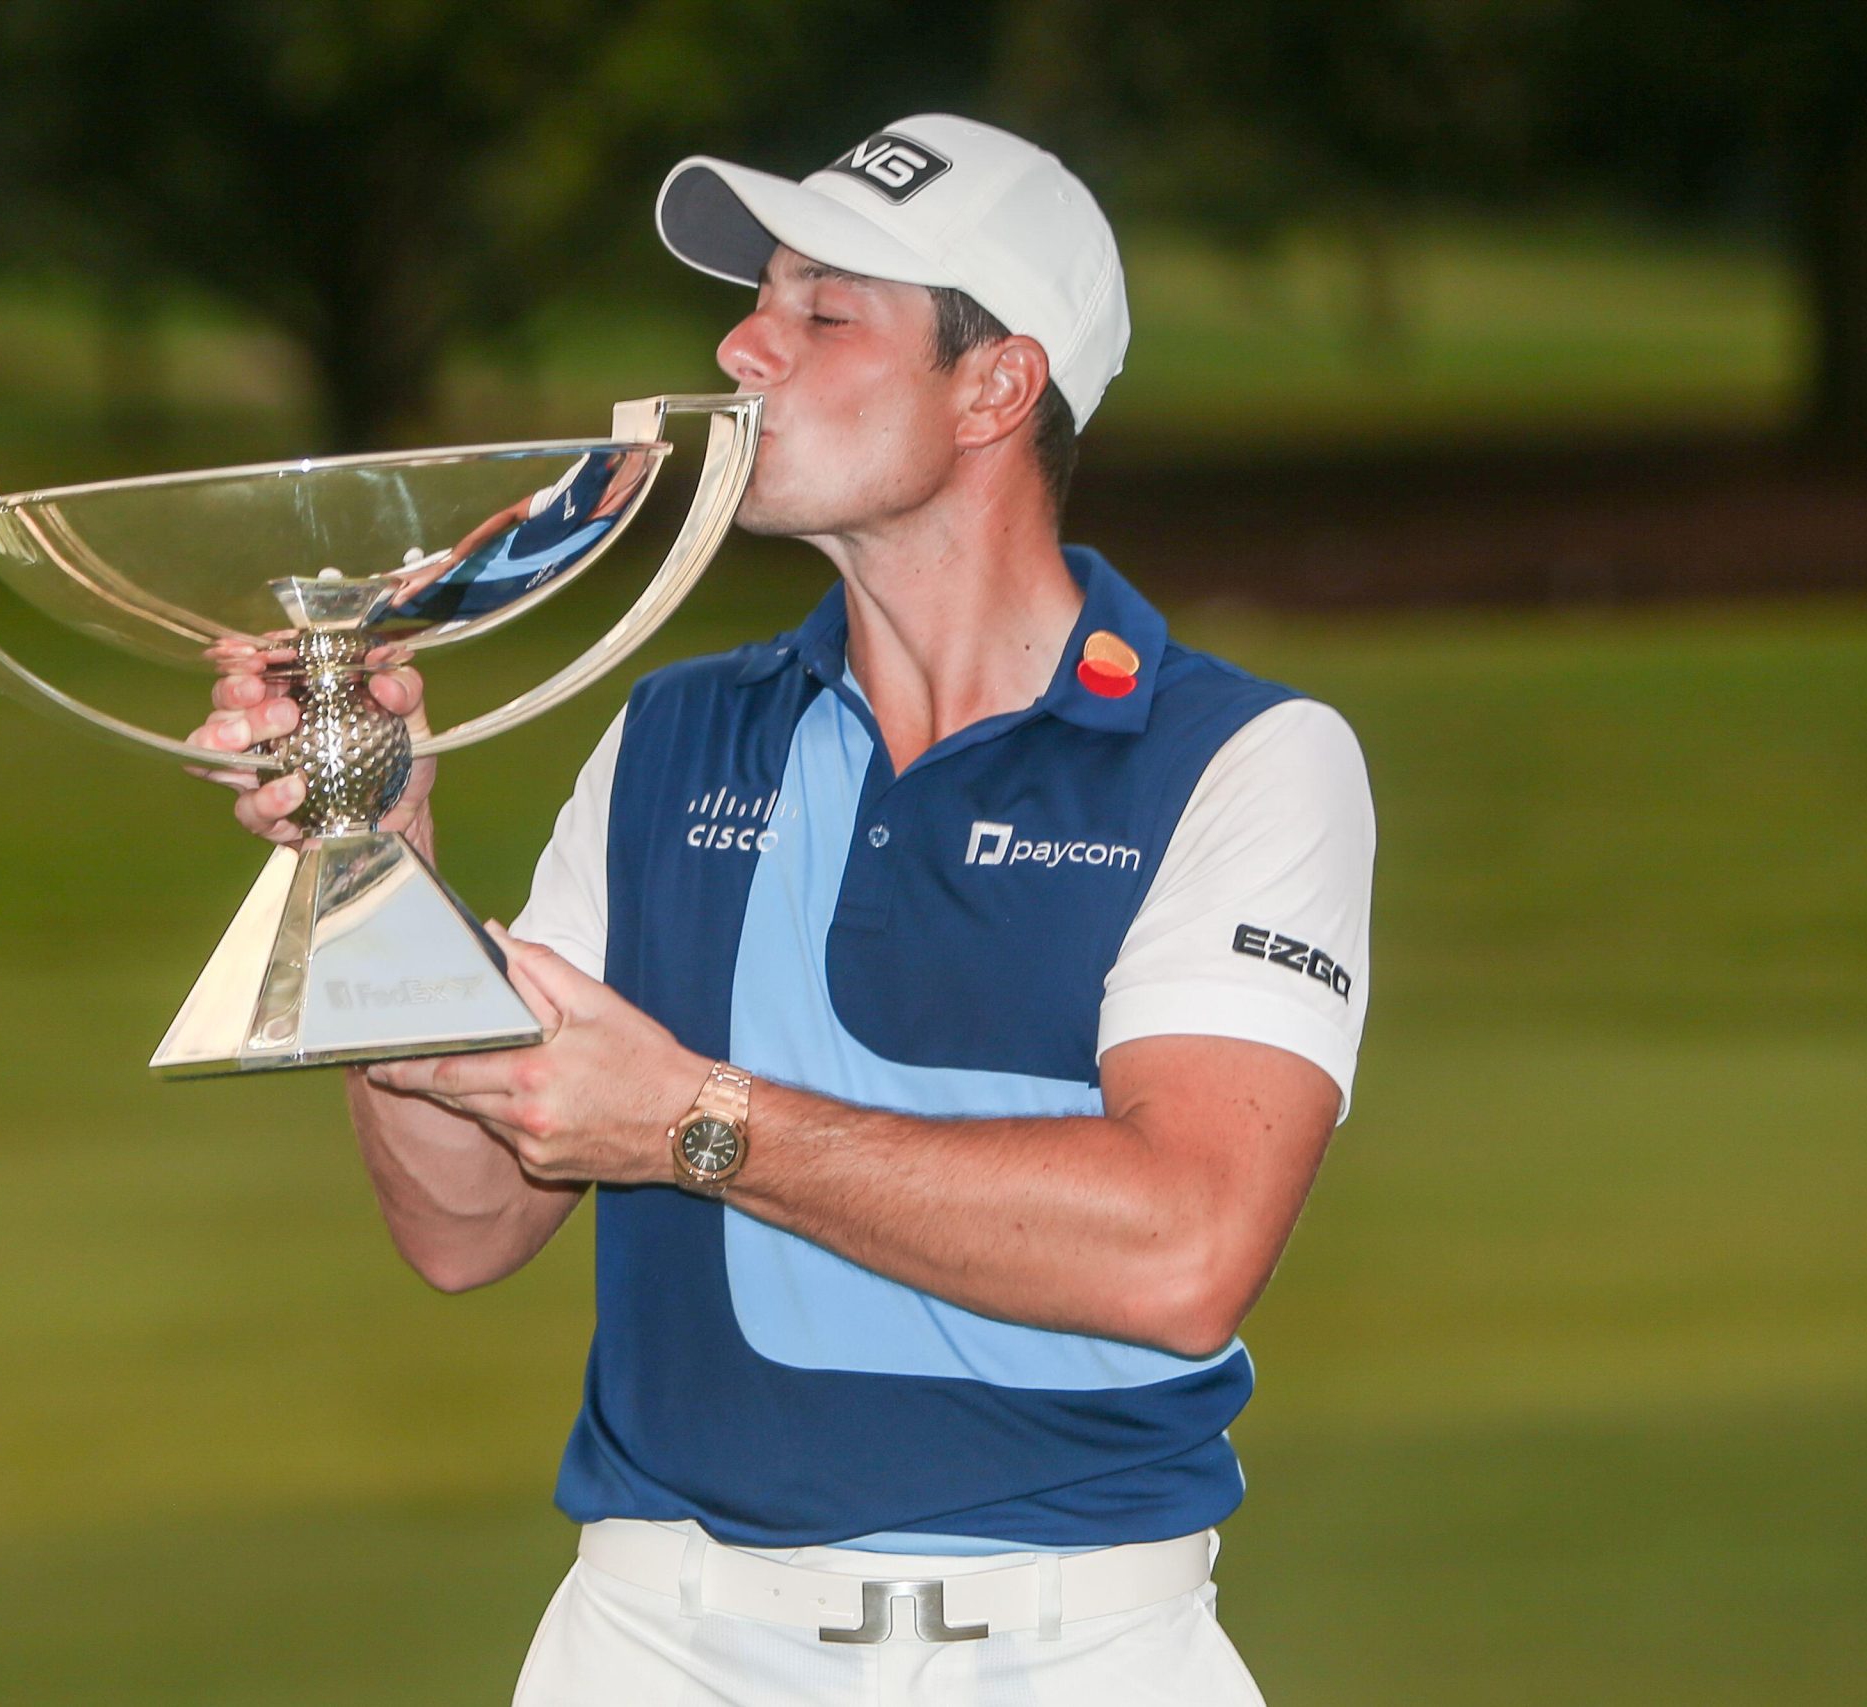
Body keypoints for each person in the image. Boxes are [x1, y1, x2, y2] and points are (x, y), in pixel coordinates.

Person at [192, 113, 1374, 1706]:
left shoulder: (1238, 760)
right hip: (659, 1647)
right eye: (762, 298)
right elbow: (464, 1223)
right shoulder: (676, 735)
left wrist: (695, 1120)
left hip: (1081, 1654)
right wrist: (369, 859)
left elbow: (1183, 1247)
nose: (746, 344)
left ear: (995, 388)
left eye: (826, 311)